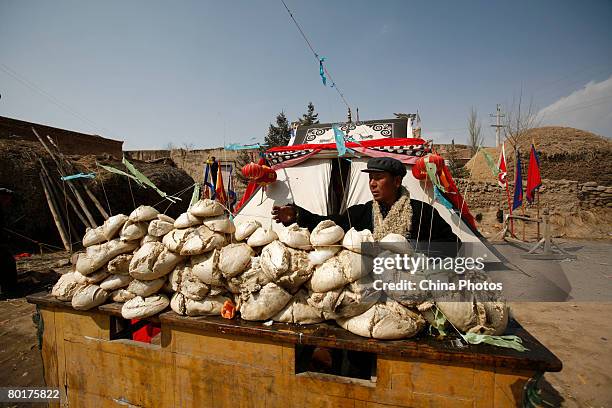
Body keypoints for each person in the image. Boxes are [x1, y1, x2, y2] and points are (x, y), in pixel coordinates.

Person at [272, 156, 458, 249]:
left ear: (397, 181)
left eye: (379, 178)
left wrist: (413, 255)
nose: (372, 183)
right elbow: (328, 224)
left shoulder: (422, 212)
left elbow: (453, 245)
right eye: (370, 178)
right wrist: (296, 215)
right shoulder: (360, 213)